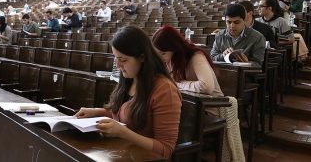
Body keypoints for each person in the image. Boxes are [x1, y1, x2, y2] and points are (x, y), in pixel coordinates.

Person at [74, 26, 182, 159]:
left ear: (142, 57)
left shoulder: (165, 90)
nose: (118, 65)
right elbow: (127, 113)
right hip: (122, 153)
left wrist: (123, 133)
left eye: (123, 60)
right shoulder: (130, 78)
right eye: (116, 58)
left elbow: (166, 149)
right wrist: (98, 111)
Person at [152, 25, 223, 98]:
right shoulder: (168, 60)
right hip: (189, 103)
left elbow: (206, 87)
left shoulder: (196, 57)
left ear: (174, 48)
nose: (160, 58)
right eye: (157, 54)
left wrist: (177, 84)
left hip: (212, 104)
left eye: (163, 53)